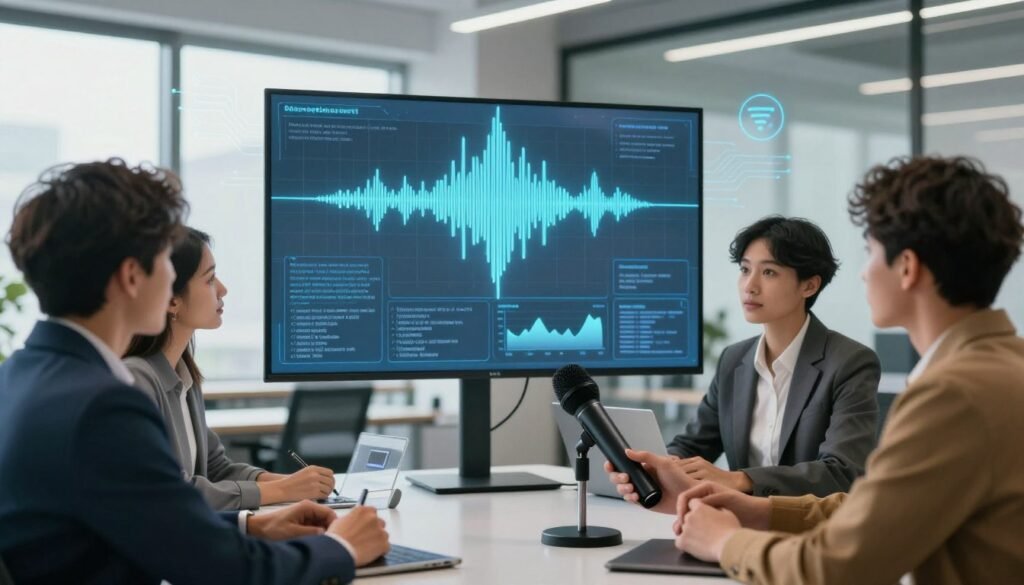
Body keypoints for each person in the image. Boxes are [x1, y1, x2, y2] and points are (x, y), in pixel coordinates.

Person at [628, 156, 1024, 584]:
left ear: (907, 267)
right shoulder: (999, 367)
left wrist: (725, 542)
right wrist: (755, 508)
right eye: (745, 270)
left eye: (871, 252)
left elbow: (841, 565)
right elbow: (874, 508)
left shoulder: (954, 393)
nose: (863, 271)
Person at [0, 159, 389, 585]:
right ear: (132, 276)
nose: (171, 276)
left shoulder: (21, 376)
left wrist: (252, 525)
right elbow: (224, 571)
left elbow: (139, 524)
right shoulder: (102, 404)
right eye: (165, 261)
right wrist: (343, 548)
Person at [661, 216, 880, 501]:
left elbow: (841, 472)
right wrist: (657, 466)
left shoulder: (850, 363)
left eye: (769, 273)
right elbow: (693, 445)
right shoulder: (734, 359)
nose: (749, 286)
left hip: (810, 530)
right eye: (745, 269)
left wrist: (740, 479)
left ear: (809, 286)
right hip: (736, 523)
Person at [123, 227, 334, 510]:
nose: (223, 289)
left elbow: (216, 468)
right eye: (209, 279)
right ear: (172, 299)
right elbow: (170, 490)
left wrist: (292, 482)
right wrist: (283, 490)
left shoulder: (184, 376)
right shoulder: (137, 380)